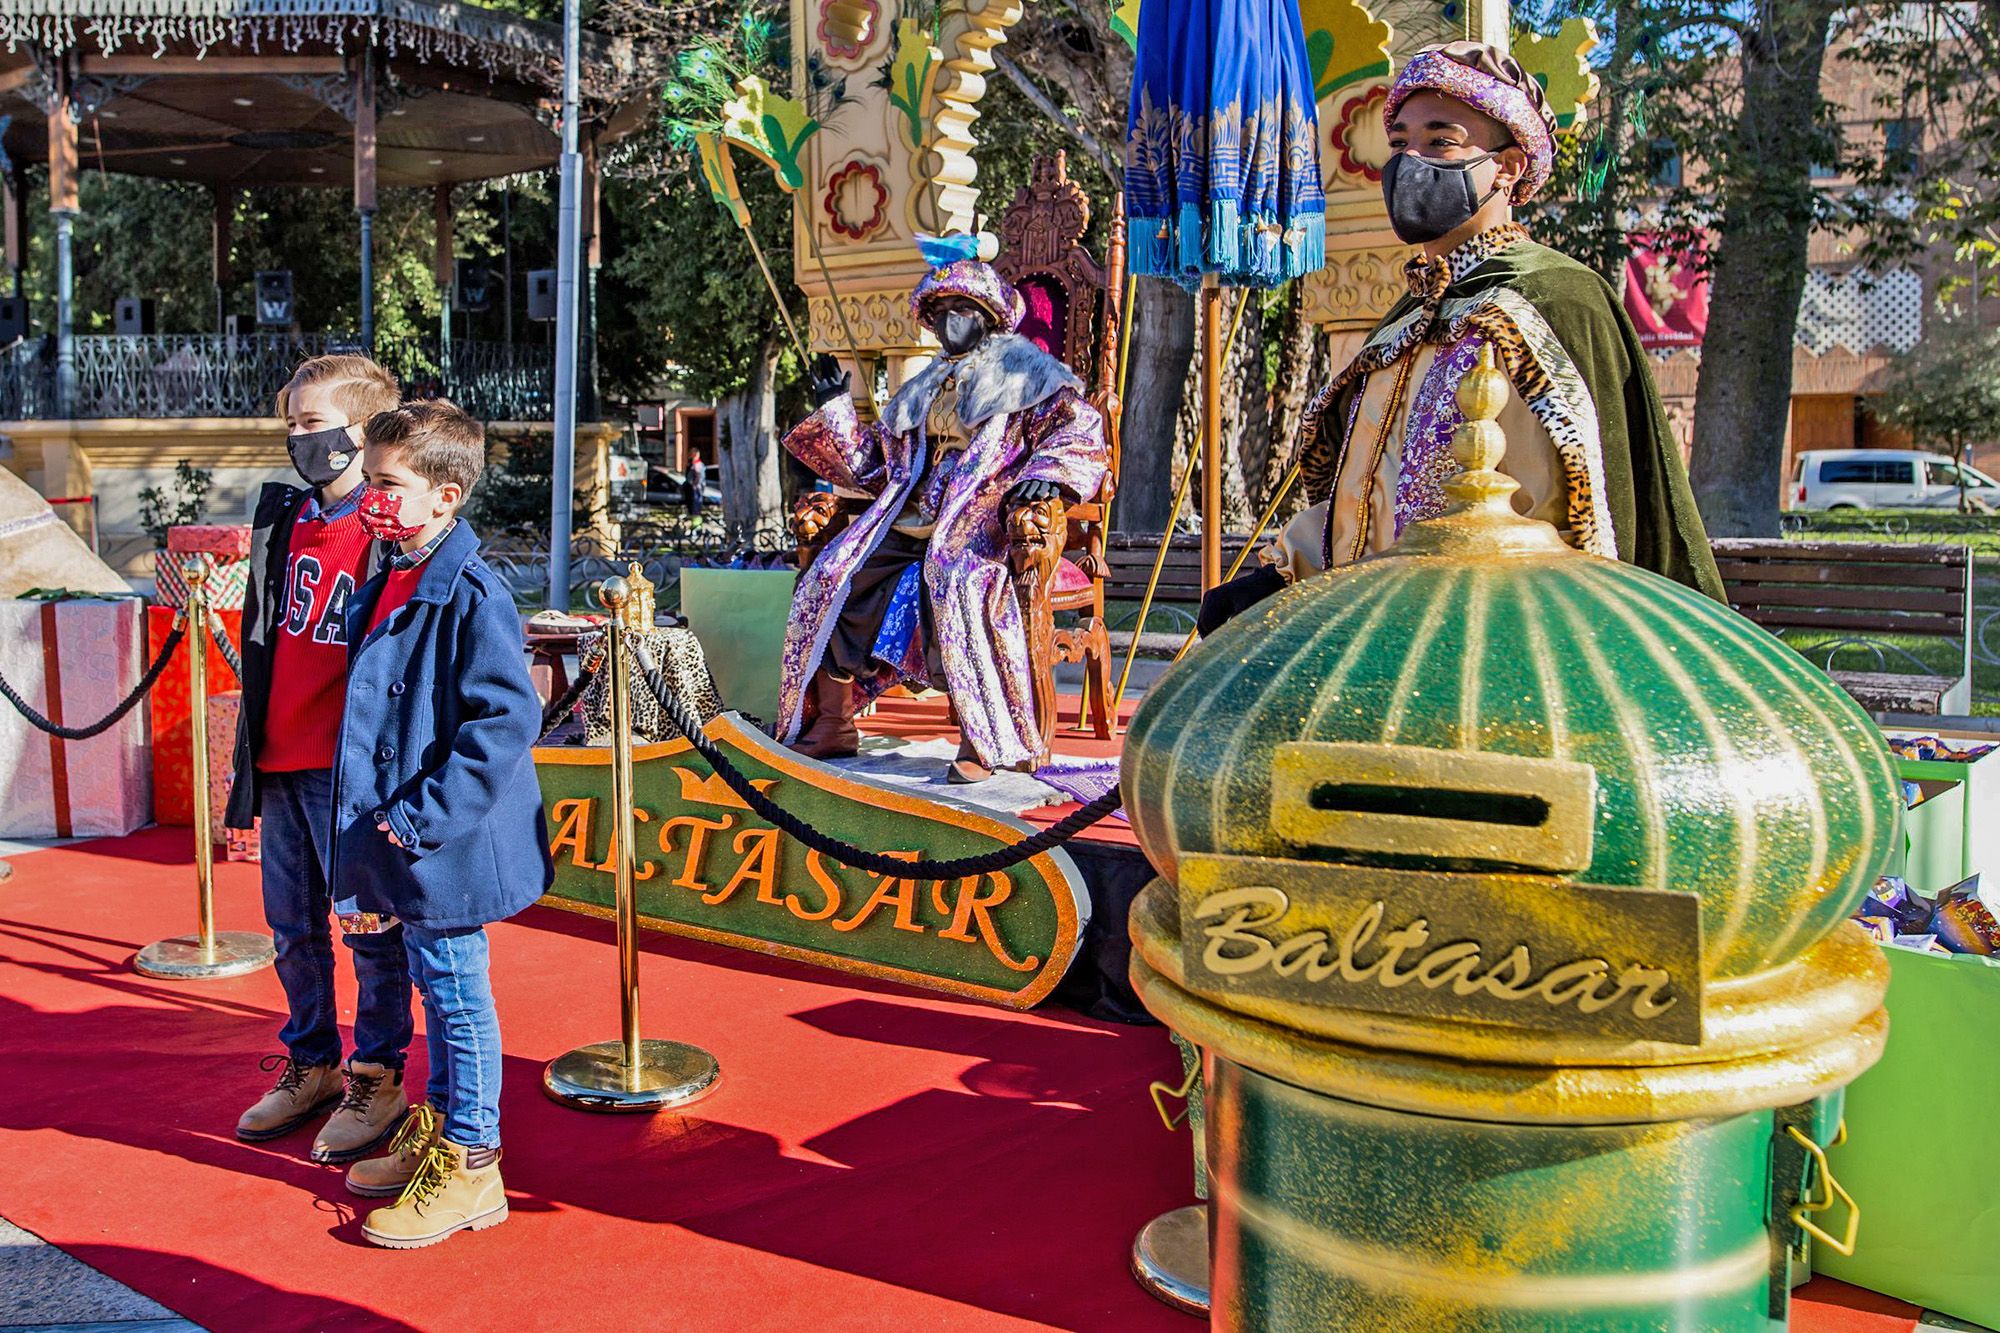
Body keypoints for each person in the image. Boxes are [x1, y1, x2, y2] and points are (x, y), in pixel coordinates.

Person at [1198, 41, 1723, 636]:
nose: (1411, 161)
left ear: (1509, 165)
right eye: (1399, 144)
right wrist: (1285, 572)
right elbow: (1373, 503)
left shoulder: (1556, 299)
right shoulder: (1408, 316)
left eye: (1441, 142)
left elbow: (1594, 518)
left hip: (1501, 642)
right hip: (1379, 633)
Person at [330, 399, 552, 1249]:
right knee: (430, 985)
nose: (371, 496)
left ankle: (473, 1162)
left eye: (388, 482)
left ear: (446, 497)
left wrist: (419, 818)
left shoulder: (470, 589)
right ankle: (441, 1125)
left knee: (457, 997)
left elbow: (504, 722)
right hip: (402, 836)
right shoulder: (395, 569)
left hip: (441, 842)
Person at [777, 235, 1109, 783]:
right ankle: (833, 721)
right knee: (832, 575)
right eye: (942, 312)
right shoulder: (922, 388)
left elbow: (1078, 432)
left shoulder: (1029, 374)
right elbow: (872, 466)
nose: (951, 322)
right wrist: (834, 410)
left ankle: (982, 740)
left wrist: (1045, 480)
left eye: (963, 311)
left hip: (981, 519)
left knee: (958, 584)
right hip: (908, 515)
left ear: (988, 317)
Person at [227, 354, 414, 1165]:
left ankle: (378, 1070)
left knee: (369, 930)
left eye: (313, 423)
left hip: (352, 772)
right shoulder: (288, 519)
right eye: (293, 424)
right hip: (280, 752)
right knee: (291, 928)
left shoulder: (389, 529)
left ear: (362, 430)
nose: (299, 438)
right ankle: (312, 1060)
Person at [686, 450, 706, 518]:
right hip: (695, 487)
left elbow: (698, 475)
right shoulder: (693, 463)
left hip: (696, 488)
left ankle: (696, 518)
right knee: (694, 505)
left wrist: (694, 484)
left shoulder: (697, 464)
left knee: (696, 505)